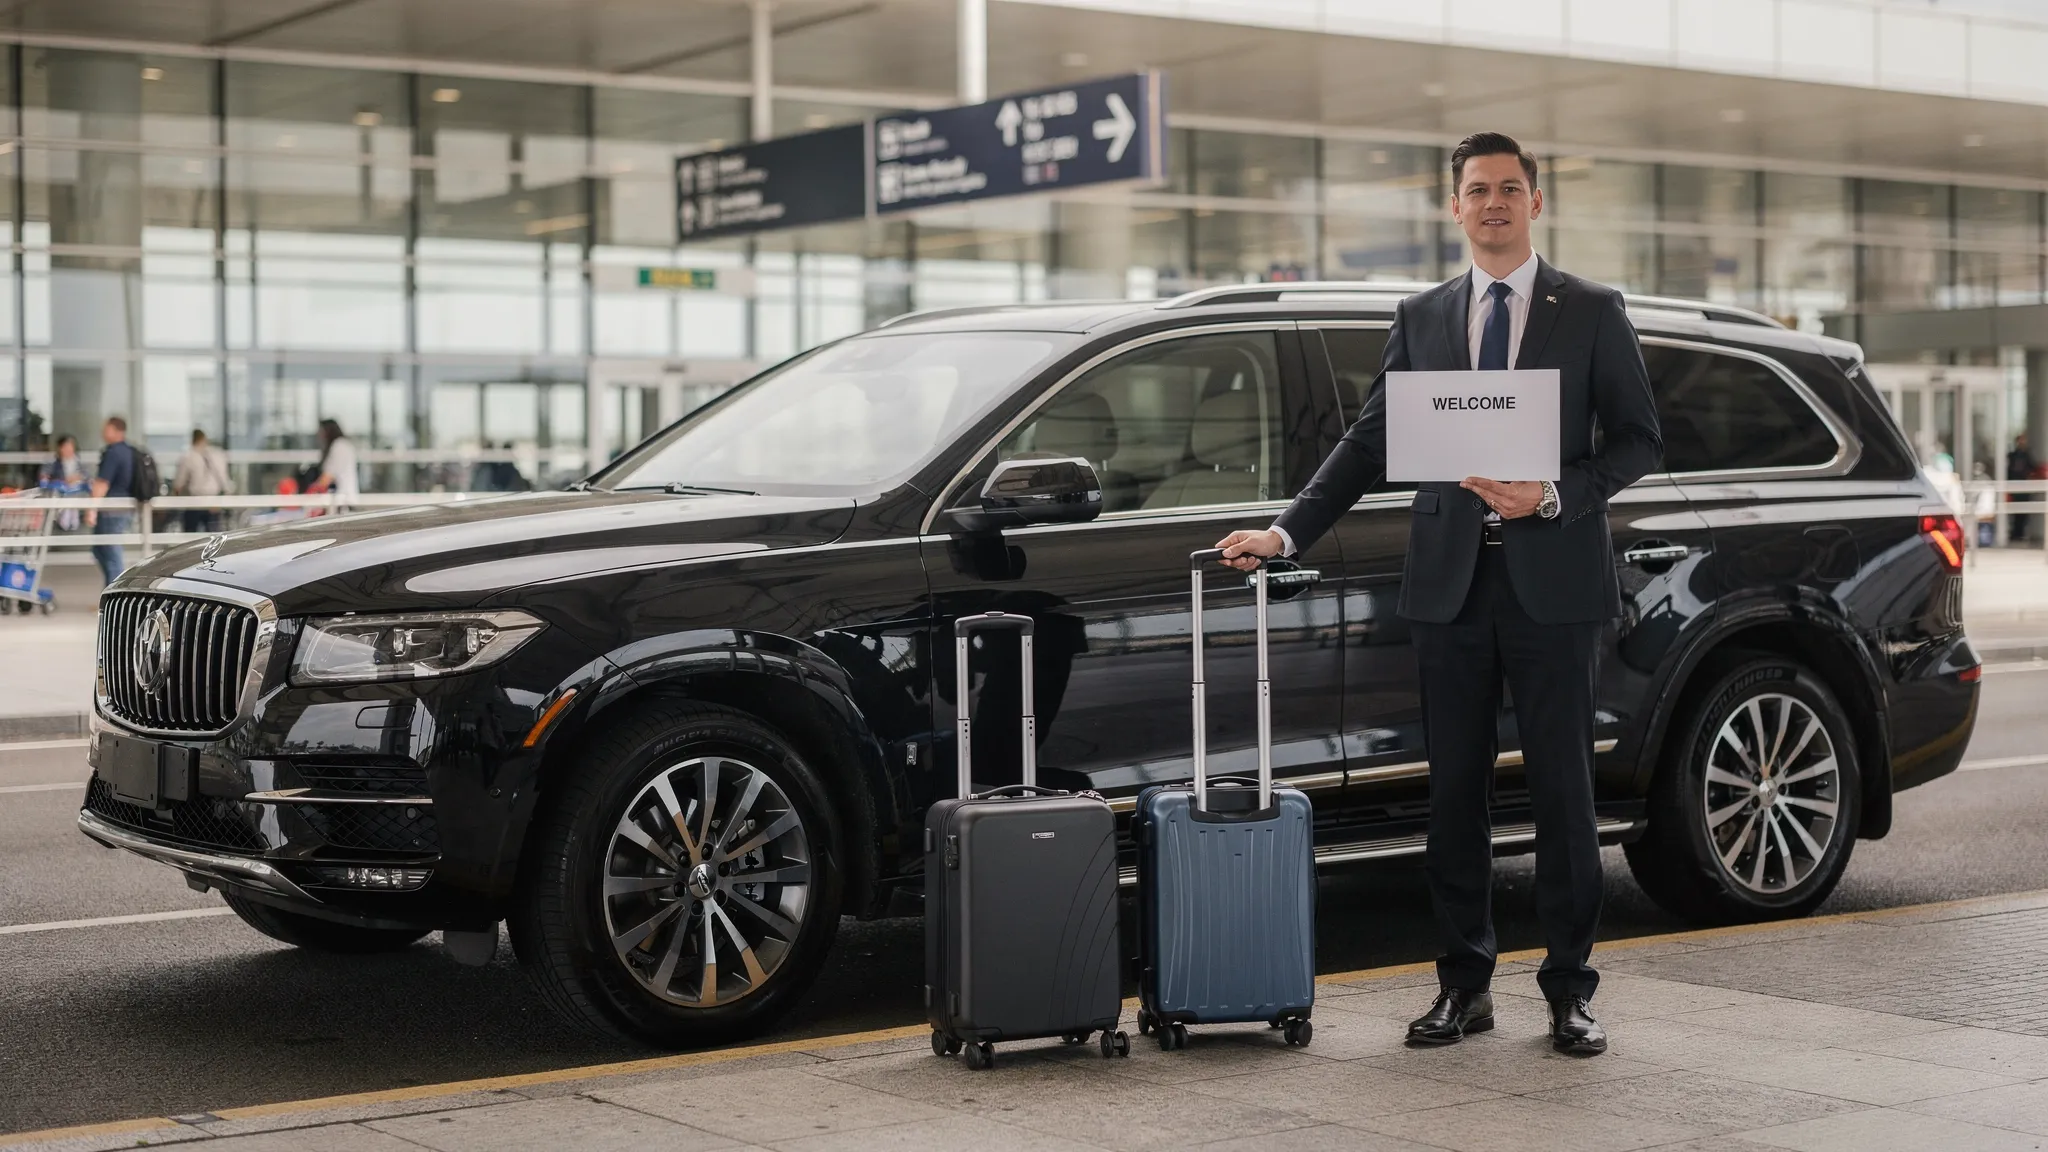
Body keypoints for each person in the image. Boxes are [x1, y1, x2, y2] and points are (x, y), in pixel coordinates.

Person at [1216, 132, 1663, 1057]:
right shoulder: (1422, 316)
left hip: (1552, 583)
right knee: (1454, 796)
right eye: (1475, 190)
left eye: (1509, 188)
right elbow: (1368, 442)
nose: (1492, 202)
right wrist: (1285, 531)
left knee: (1564, 797)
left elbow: (1638, 441)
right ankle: (1463, 985)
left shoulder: (1589, 309)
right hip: (1451, 588)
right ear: (1453, 208)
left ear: (1536, 203)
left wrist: (1554, 494)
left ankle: (1571, 992)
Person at [87, 417, 140, 586]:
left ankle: (114, 592)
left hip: (111, 509)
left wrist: (91, 509)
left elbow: (102, 483)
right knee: (103, 550)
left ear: (116, 430)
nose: (103, 432)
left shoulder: (113, 452)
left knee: (110, 553)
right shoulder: (129, 451)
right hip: (124, 508)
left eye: (106, 428)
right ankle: (110, 589)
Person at [172, 428, 232, 534]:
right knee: (214, 538)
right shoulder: (218, 455)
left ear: (192, 440)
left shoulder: (188, 456)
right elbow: (225, 481)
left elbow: (178, 484)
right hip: (214, 503)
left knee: (190, 537)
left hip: (195, 502)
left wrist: (176, 498)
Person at [36, 434, 89, 532]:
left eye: (71, 446)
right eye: (65, 447)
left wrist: (77, 477)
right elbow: (44, 476)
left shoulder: (78, 462)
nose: (68, 450)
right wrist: (62, 481)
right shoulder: (53, 462)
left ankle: (72, 521)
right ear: (60, 448)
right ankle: (64, 521)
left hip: (76, 492)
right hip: (60, 493)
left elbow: (86, 476)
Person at [312, 419, 360, 510]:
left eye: (321, 432)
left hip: (342, 501)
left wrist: (312, 492)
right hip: (345, 498)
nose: (319, 435)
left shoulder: (338, 446)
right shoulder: (344, 445)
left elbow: (329, 476)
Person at [2011, 433, 2038, 544]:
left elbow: (2033, 468)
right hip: (2014, 486)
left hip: (2024, 487)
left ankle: (2021, 534)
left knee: (2024, 512)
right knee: (2014, 512)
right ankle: (2015, 533)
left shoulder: (2027, 455)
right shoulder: (2012, 456)